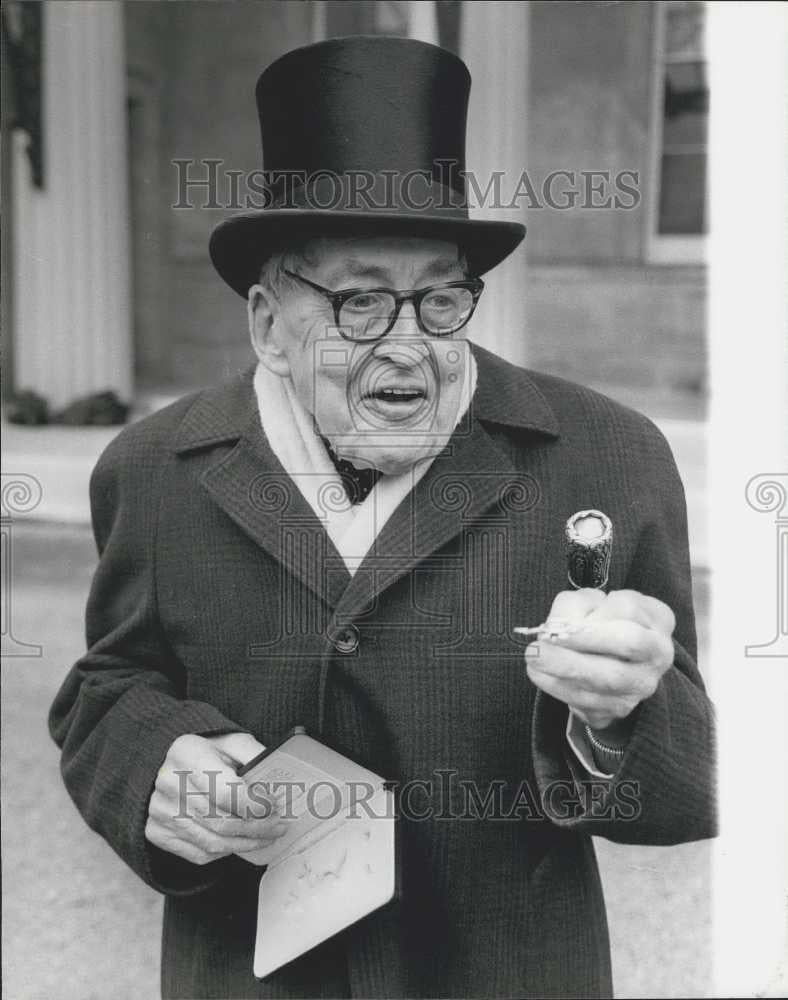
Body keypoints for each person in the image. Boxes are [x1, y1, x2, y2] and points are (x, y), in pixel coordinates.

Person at [49, 36, 716, 999]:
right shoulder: (153, 472)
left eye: (440, 298)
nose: (410, 347)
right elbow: (109, 687)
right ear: (269, 324)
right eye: (360, 301)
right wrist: (156, 762)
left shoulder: (607, 457)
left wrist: (619, 716)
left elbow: (701, 777)